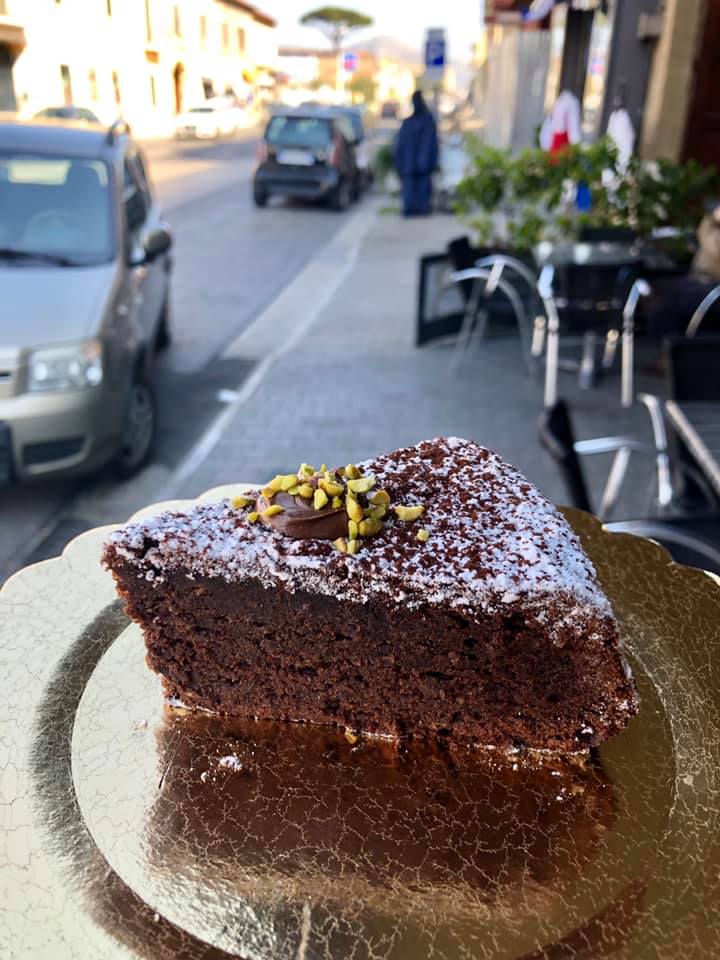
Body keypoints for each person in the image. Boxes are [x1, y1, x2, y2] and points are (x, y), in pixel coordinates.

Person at [394, 90, 439, 217]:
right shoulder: (424, 122)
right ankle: (416, 209)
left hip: (414, 166)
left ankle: (416, 209)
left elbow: (400, 146)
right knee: (415, 191)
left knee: (416, 190)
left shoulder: (414, 123)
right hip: (417, 166)